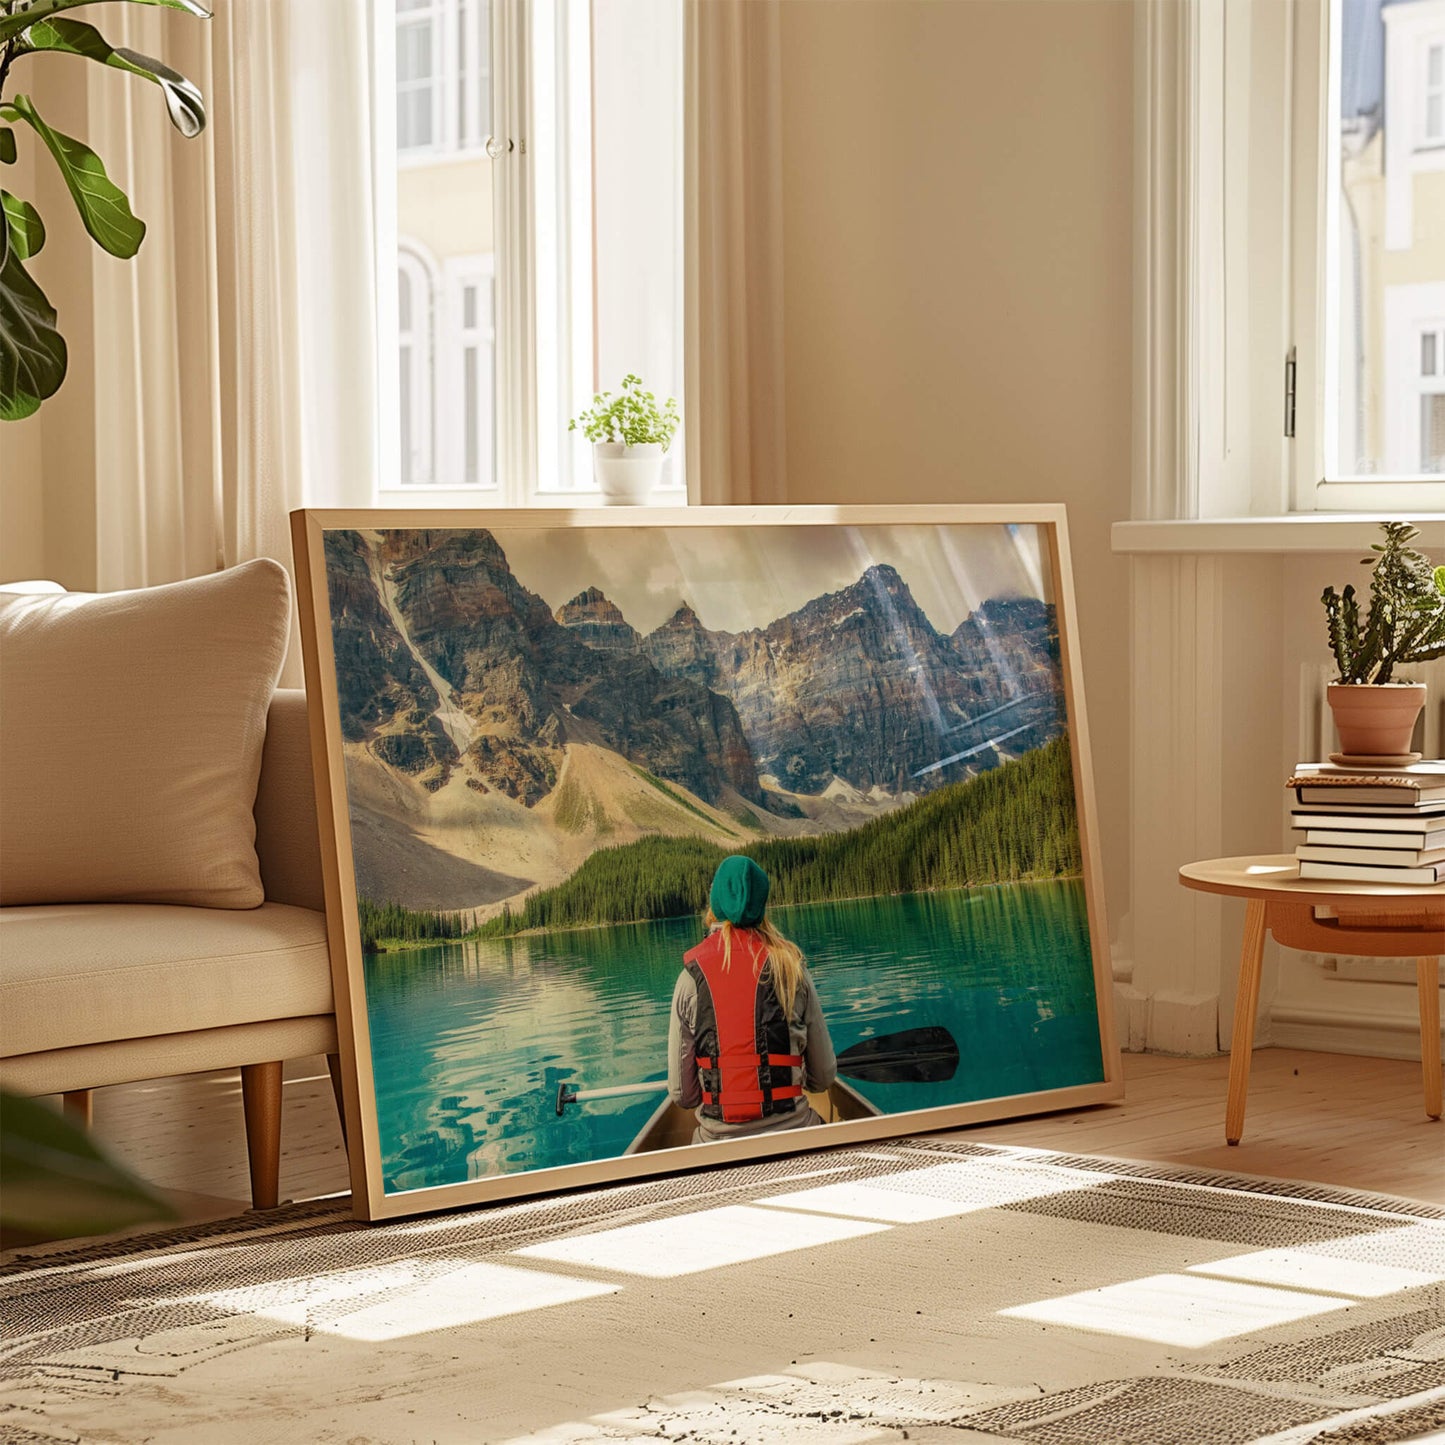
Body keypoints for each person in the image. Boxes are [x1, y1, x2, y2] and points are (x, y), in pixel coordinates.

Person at [668, 855, 837, 1142]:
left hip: (716, 1144)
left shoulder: (690, 980)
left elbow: (683, 1095)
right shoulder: (793, 969)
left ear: (715, 905)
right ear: (761, 906)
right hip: (797, 1133)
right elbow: (822, 1078)